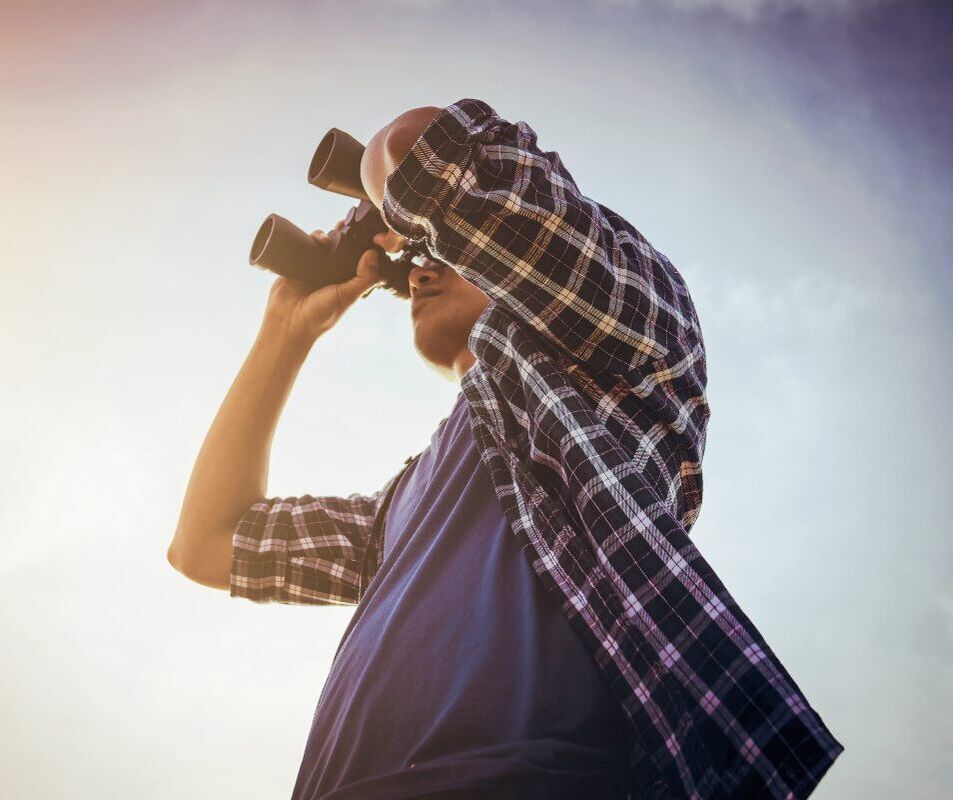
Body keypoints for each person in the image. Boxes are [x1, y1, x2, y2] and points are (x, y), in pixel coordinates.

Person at [167, 99, 844, 799]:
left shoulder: (624, 348)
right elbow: (208, 543)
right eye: (414, 267)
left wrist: (385, 210)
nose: (419, 275)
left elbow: (422, 152)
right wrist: (286, 332)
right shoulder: (400, 510)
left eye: (441, 254)